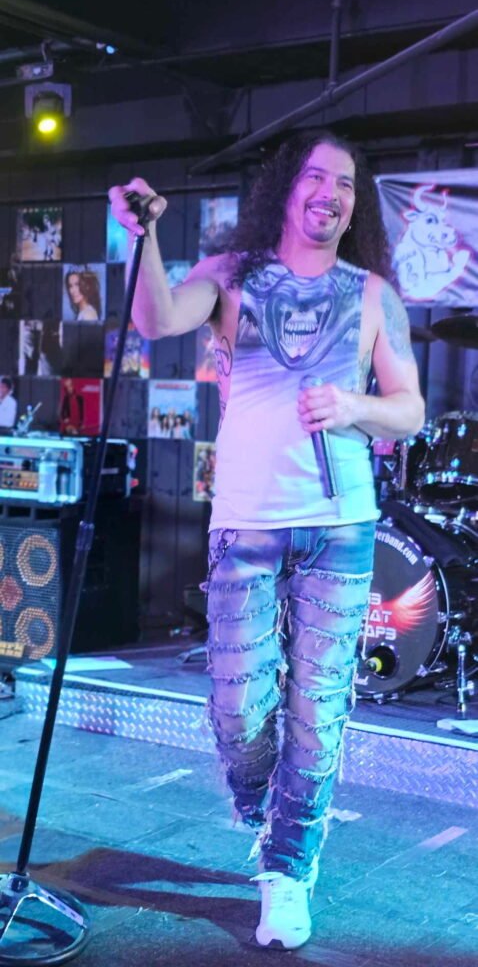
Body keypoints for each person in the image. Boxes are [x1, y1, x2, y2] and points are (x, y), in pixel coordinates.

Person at [109, 131, 425, 950]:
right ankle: (270, 818)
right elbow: (155, 317)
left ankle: (288, 869)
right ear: (286, 189)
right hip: (245, 522)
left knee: (317, 715)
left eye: (346, 183)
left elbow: (410, 409)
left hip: (339, 526)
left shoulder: (372, 295)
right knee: (235, 714)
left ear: (355, 206)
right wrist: (142, 234)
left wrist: (355, 408)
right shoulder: (231, 274)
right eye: (316, 177)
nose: (331, 192)